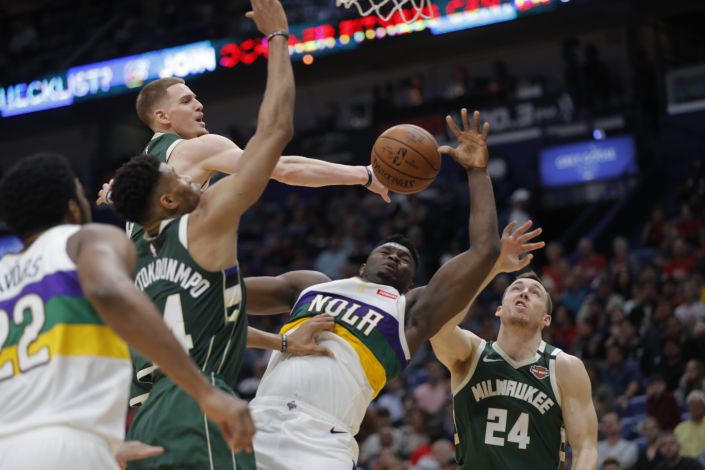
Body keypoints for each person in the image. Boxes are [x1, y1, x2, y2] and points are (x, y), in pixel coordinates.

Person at [241, 108, 501, 469]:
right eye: (387, 251)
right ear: (363, 265)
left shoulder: (411, 311)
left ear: (412, 281)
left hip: (322, 439)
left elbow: (486, 251)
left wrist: (477, 171)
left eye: (404, 258)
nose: (395, 257)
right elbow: (223, 293)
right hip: (257, 424)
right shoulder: (313, 285)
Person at [108, 0, 302, 468]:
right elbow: (275, 131)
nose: (195, 180)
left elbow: (207, 324)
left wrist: (282, 343)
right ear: (169, 201)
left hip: (142, 420)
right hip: (199, 408)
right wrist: (278, 38)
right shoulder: (206, 224)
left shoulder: (134, 266)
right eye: (183, 181)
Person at [0, 154, 253, 470]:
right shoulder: (85, 240)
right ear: (73, 208)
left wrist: (108, 443)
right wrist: (205, 392)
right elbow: (107, 290)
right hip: (68, 442)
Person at [430, 229, 598, 469]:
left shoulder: (564, 367)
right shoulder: (471, 354)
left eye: (535, 292)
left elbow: (586, 449)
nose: (525, 292)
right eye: (516, 288)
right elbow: (438, 325)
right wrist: (494, 267)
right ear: (499, 309)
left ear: (546, 319)